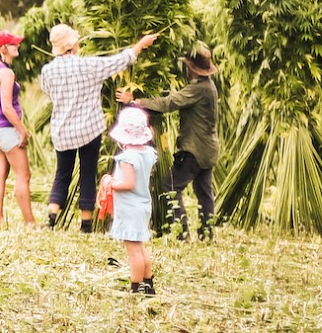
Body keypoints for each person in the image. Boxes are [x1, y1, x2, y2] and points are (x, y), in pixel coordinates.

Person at [39, 24, 158, 232]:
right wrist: (141, 44)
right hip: (89, 129)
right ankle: (86, 225)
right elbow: (120, 61)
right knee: (88, 173)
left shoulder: (47, 71)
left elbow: (48, 93)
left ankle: (51, 218)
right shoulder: (88, 66)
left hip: (62, 131)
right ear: (72, 44)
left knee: (62, 174)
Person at [118, 44, 220, 241]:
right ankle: (206, 235)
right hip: (208, 149)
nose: (187, 69)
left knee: (171, 186)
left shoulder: (199, 88)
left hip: (195, 150)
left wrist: (136, 102)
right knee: (204, 193)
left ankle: (181, 233)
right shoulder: (209, 87)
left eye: (188, 66)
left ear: (193, 68)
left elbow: (169, 103)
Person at [104, 106, 159, 295]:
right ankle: (148, 284)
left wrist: (111, 183)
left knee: (134, 252)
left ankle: (135, 288)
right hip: (143, 206)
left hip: (130, 209)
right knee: (141, 248)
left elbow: (128, 184)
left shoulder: (127, 158)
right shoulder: (148, 153)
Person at [0, 30, 34, 226]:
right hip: (5, 128)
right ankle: (30, 223)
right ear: (3, 48)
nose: (17, 46)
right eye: (13, 44)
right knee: (24, 175)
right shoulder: (7, 73)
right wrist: (22, 130)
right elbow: (6, 107)